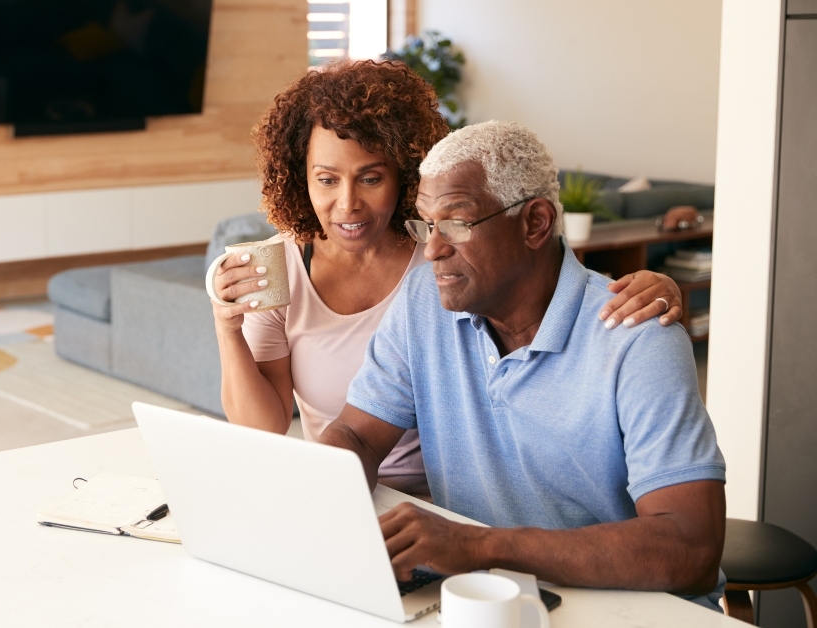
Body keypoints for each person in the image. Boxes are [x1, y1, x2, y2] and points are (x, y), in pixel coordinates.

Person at [210, 60, 686, 495]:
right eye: (327, 179)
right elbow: (268, 426)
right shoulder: (283, 268)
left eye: (371, 177)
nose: (348, 203)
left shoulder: (447, 253)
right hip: (355, 482)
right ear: (302, 178)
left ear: (406, 176)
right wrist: (227, 329)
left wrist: (655, 287)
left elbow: (553, 286)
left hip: (461, 494)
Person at [319, 120, 726, 609]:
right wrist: (325, 510)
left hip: (622, 607)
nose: (432, 249)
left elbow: (691, 548)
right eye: (426, 224)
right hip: (486, 597)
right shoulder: (423, 302)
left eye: (455, 223)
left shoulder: (637, 337)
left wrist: (478, 546)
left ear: (534, 222)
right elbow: (358, 435)